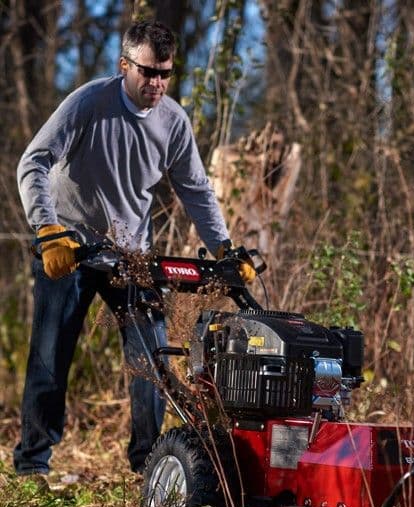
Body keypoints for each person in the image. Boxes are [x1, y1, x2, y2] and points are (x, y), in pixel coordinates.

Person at [13, 20, 253, 476]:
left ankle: (150, 466)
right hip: (70, 247)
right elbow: (34, 162)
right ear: (125, 65)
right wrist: (47, 229)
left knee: (153, 361)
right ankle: (32, 465)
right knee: (51, 354)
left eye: (165, 73)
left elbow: (197, 191)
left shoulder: (173, 122)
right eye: (148, 72)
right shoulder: (88, 103)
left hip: (130, 255)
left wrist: (224, 248)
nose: (157, 83)